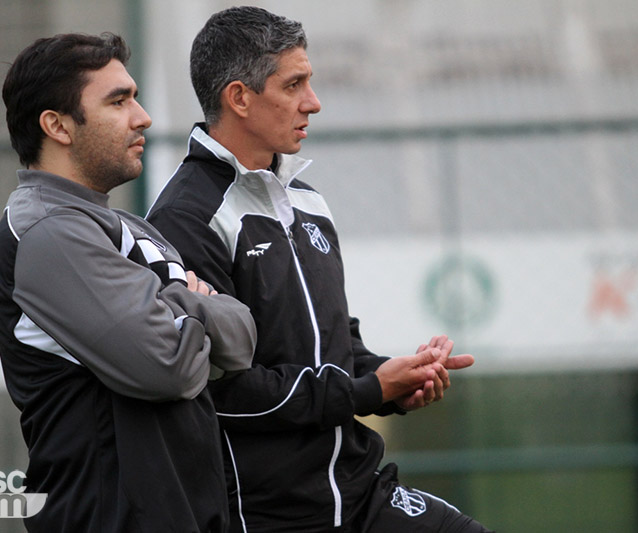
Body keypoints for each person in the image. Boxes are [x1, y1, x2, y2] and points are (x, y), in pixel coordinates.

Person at [147, 7, 493, 533]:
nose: (314, 102)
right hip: (266, 512)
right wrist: (366, 391)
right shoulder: (185, 216)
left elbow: (337, 347)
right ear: (239, 98)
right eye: (295, 85)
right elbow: (218, 393)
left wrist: (395, 379)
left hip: (357, 488)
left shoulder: (308, 201)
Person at [0, 32, 257, 532]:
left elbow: (240, 341)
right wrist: (190, 300)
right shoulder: (49, 230)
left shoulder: (129, 226)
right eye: (118, 101)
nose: (143, 116)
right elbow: (165, 368)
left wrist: (173, 309)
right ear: (57, 126)